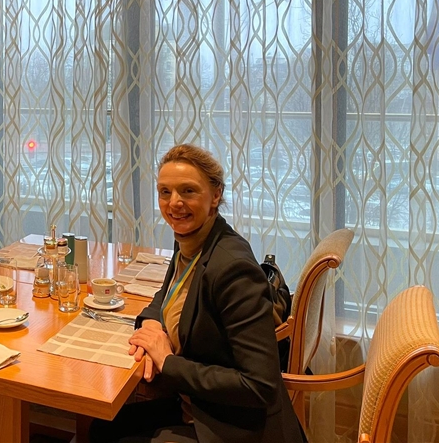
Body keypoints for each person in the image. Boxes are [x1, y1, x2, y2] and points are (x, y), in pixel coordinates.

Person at [90, 144, 304, 443]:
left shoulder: (232, 268)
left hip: (236, 427)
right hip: (199, 406)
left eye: (188, 191)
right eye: (165, 192)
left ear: (215, 195)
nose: (174, 203)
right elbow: (168, 292)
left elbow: (260, 386)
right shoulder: (191, 239)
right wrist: (152, 323)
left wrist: (167, 362)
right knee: (101, 427)